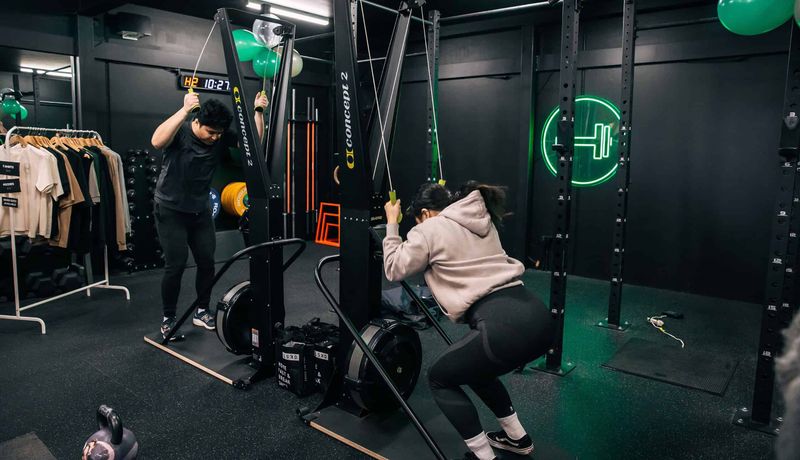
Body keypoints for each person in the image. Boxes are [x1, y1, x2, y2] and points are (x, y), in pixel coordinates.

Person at [382, 181, 556, 460]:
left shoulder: (429, 228)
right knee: (474, 368)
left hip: (502, 327)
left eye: (419, 219)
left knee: (439, 378)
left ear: (426, 213)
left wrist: (392, 225)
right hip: (537, 317)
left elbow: (394, 268)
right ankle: (517, 438)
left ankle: (483, 457)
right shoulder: (481, 220)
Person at [151, 91, 268, 340]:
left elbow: (253, 143)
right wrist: (184, 110)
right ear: (197, 122)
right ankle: (168, 318)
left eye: (218, 134)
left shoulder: (219, 138)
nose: (214, 138)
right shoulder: (181, 130)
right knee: (176, 264)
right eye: (210, 132)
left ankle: (202, 311)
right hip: (170, 209)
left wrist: (258, 112)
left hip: (200, 210)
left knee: (206, 261)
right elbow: (156, 141)